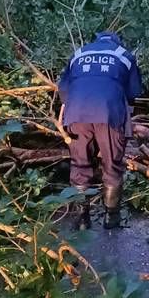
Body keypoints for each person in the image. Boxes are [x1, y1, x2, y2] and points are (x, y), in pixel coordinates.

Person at [57, 31, 143, 230]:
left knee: (80, 164)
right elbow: (133, 93)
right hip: (110, 113)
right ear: (116, 41)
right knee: (112, 164)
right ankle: (111, 219)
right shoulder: (124, 55)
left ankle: (82, 221)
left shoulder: (79, 53)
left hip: (76, 113)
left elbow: (63, 89)